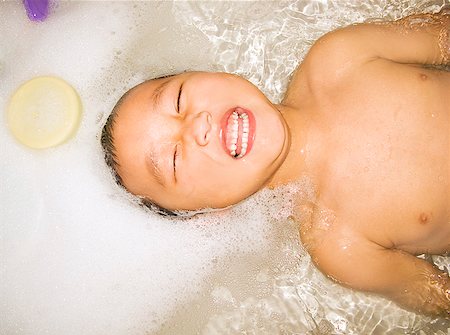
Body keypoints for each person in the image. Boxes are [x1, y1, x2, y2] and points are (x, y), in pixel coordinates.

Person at [101, 11, 450, 317]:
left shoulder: (340, 58)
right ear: (210, 214)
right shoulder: (340, 247)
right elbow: (437, 293)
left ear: (206, 72)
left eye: (178, 98)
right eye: (174, 160)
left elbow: (442, 35)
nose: (197, 125)